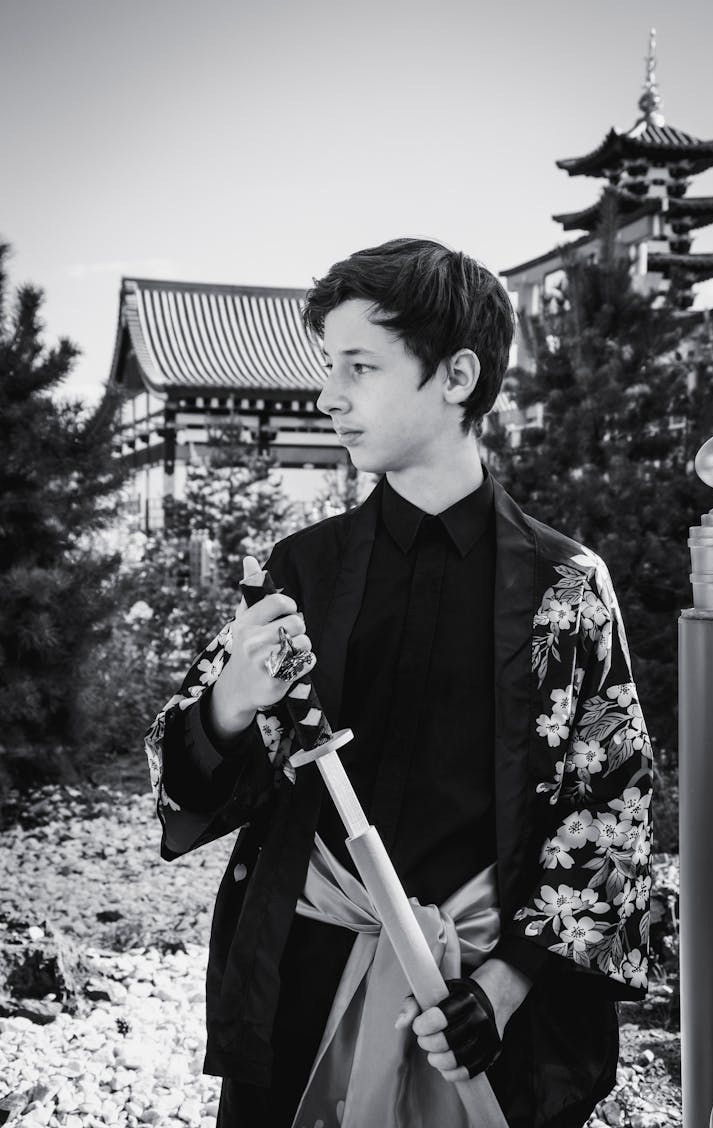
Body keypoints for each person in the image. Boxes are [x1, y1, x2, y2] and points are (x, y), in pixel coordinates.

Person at [145, 237, 653, 1128]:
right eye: (327, 366)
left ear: (457, 377)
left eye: (360, 367)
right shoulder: (300, 570)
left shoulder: (565, 587)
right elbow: (191, 776)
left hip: (484, 1000)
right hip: (306, 975)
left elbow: (609, 817)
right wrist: (232, 700)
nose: (328, 396)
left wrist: (498, 989)